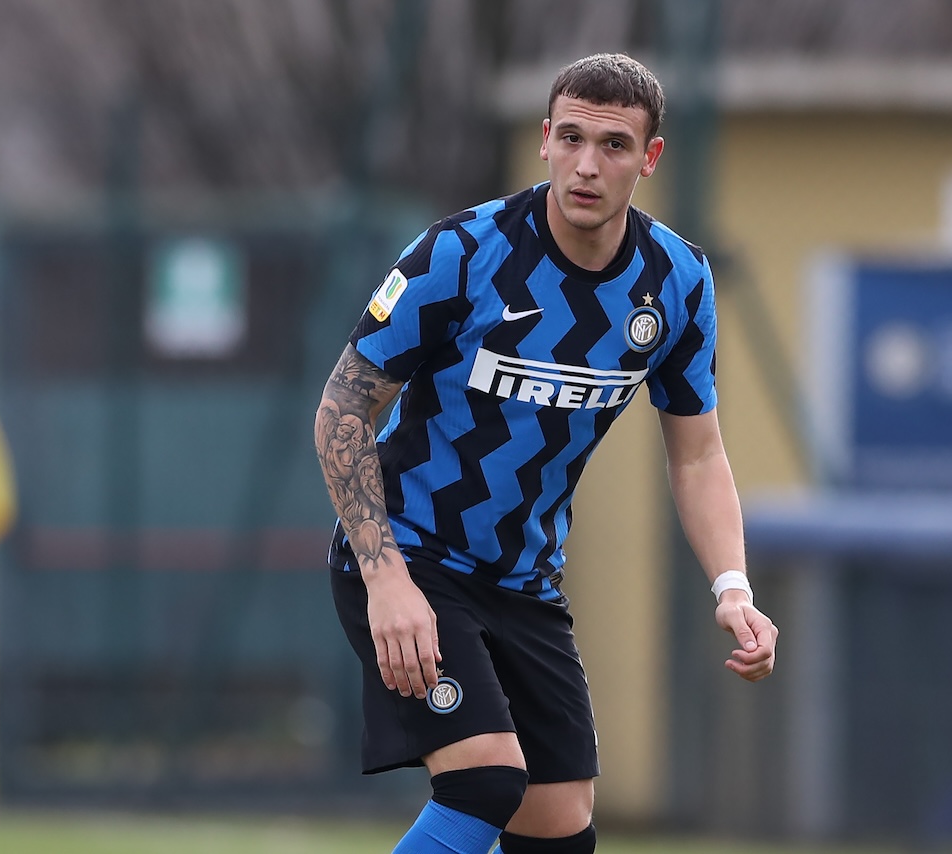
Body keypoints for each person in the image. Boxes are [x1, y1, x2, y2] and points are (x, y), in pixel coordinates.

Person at [315, 52, 777, 854]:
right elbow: (342, 410)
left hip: (525, 582)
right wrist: (386, 578)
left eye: (613, 145)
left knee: (559, 831)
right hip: (412, 556)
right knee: (485, 782)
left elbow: (699, 455)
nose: (587, 165)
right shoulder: (463, 253)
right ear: (545, 141)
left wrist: (732, 588)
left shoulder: (677, 282)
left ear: (650, 157)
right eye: (571, 138)